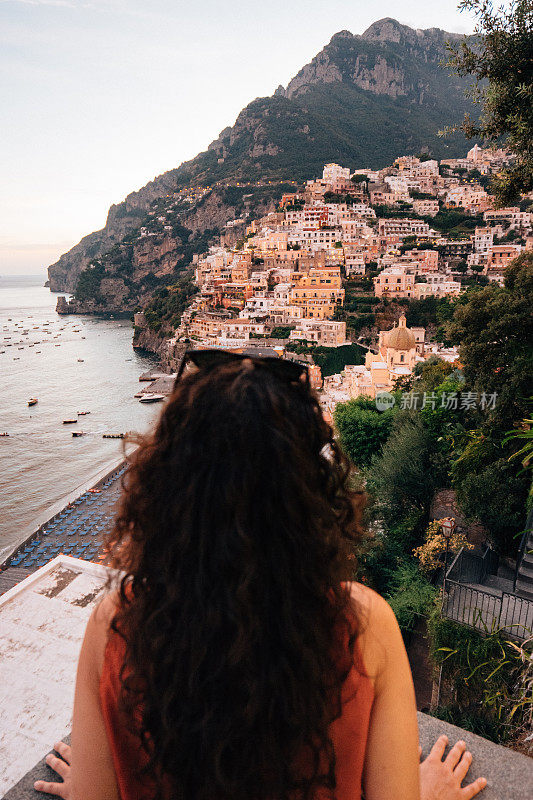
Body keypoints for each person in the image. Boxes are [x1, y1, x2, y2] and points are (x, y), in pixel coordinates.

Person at [34, 351, 488, 800]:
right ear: (311, 492)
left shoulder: (116, 621)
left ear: (166, 487)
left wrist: (100, 775)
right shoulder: (366, 624)